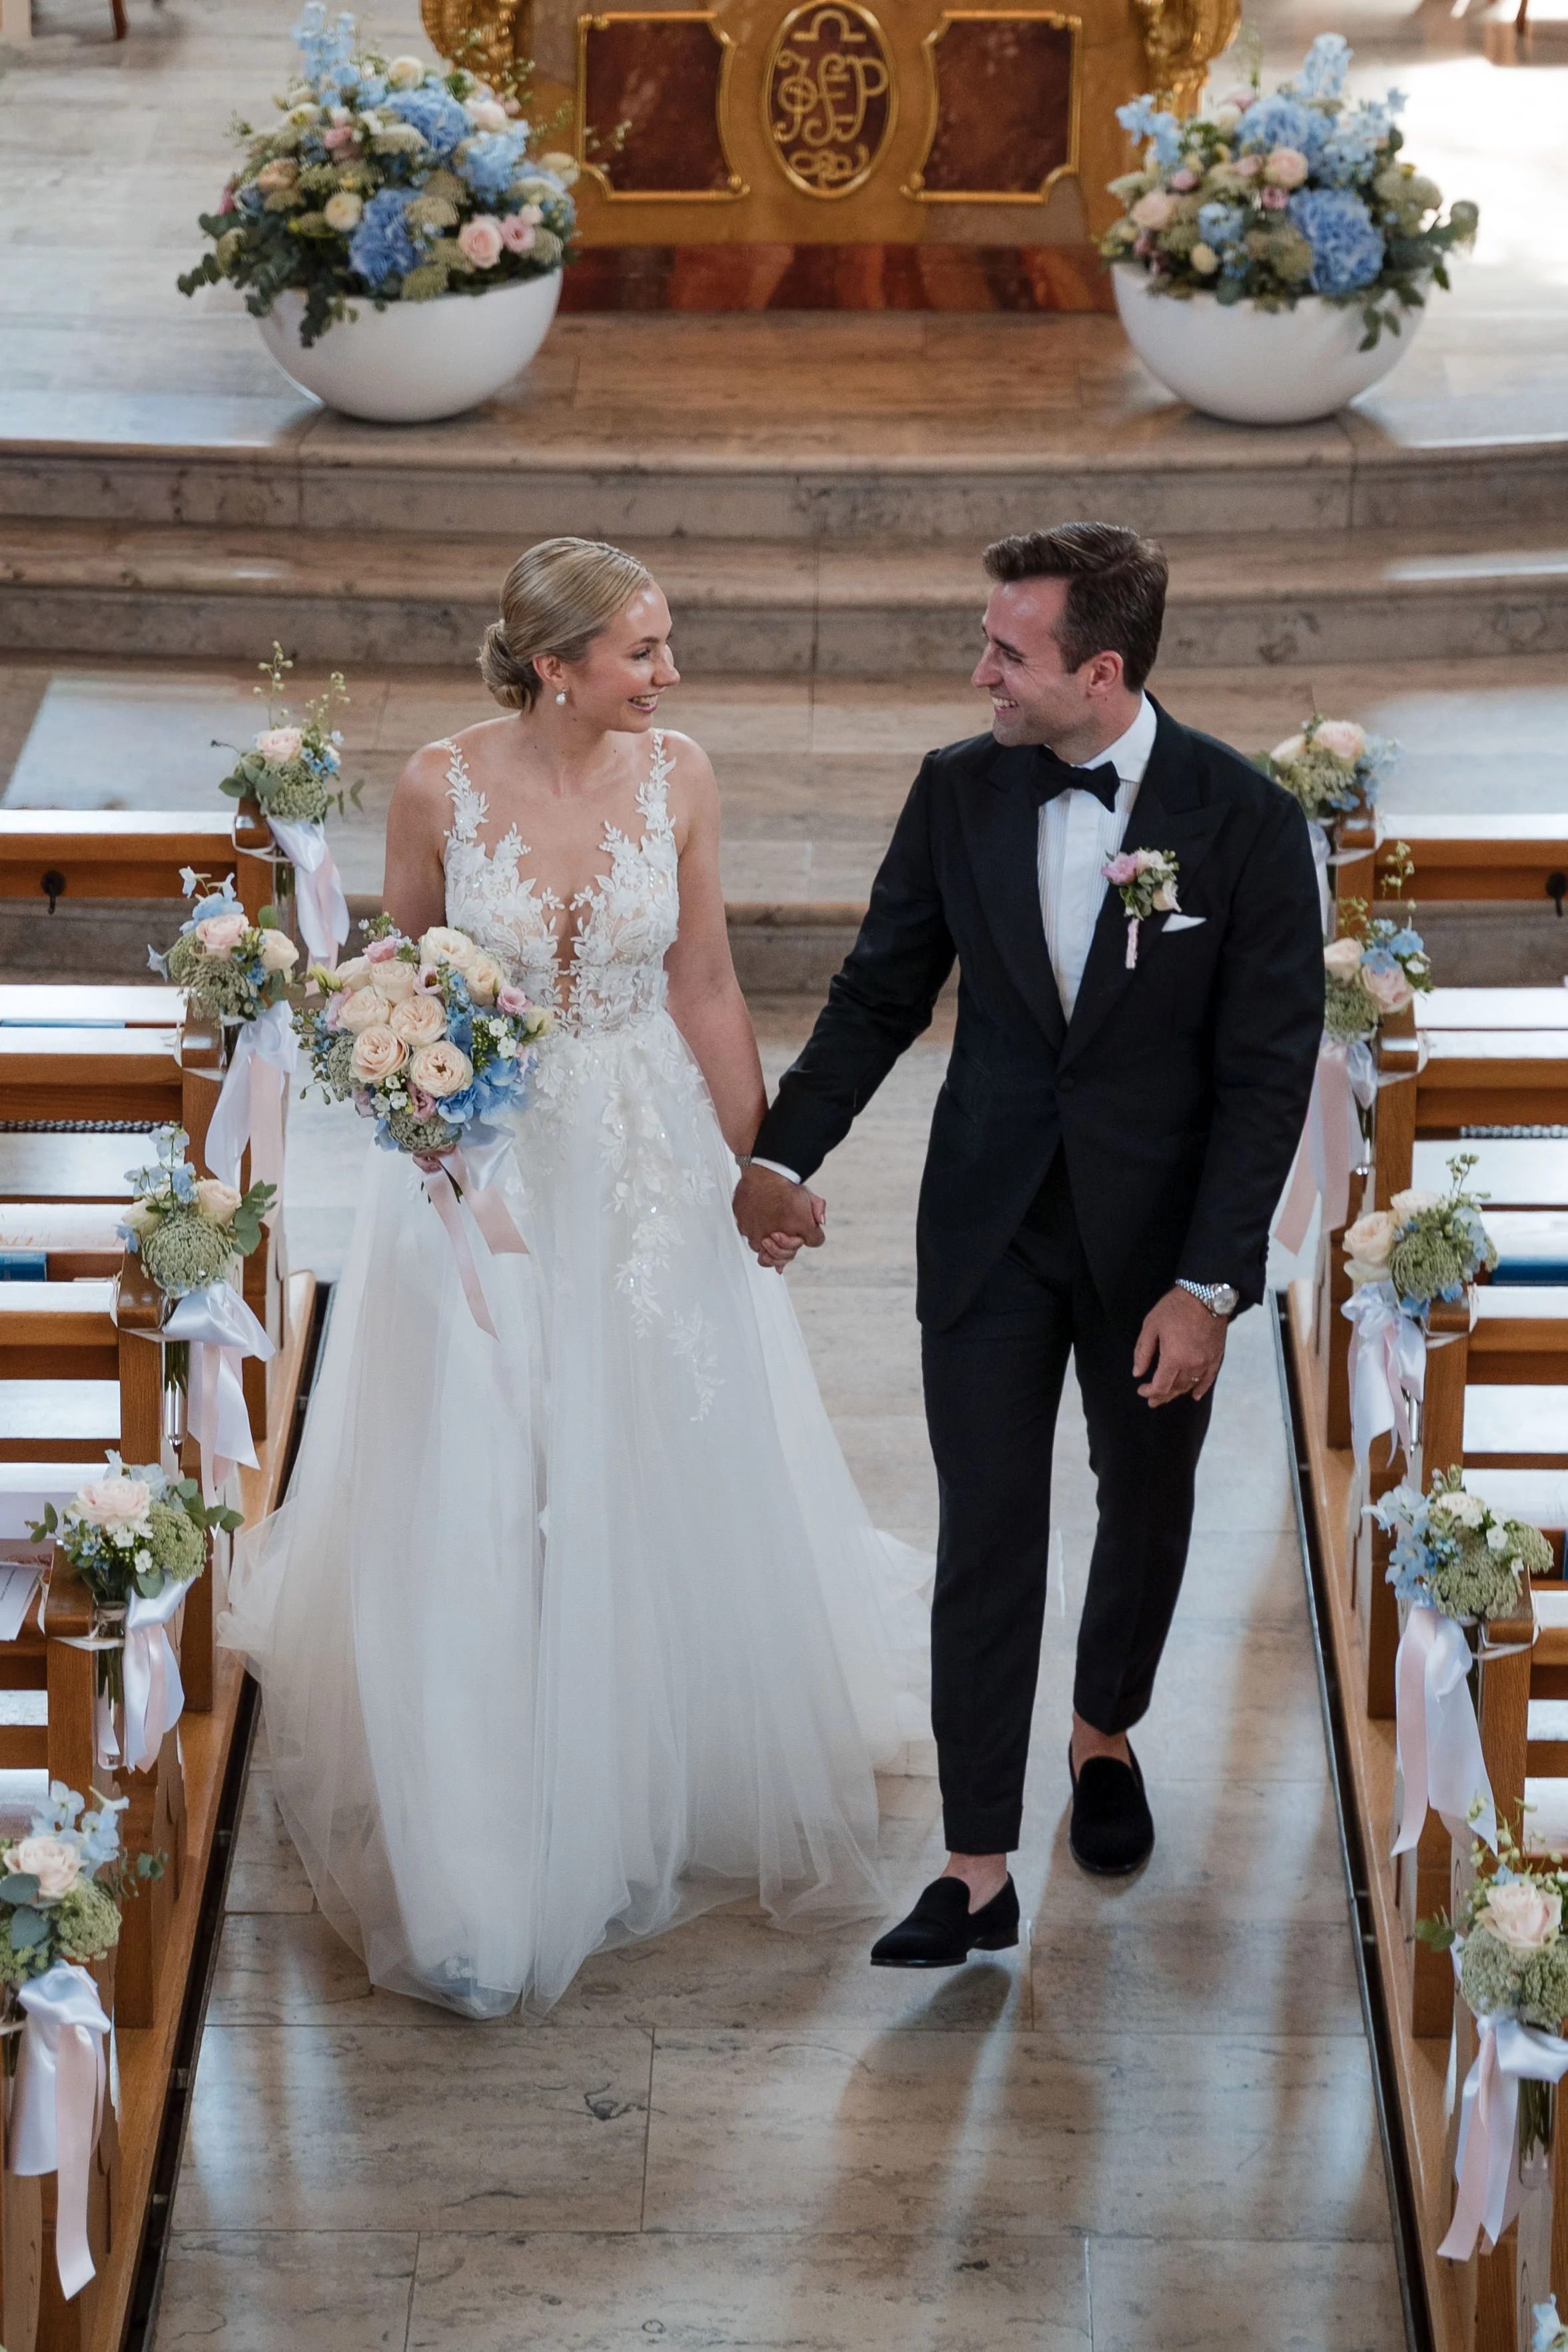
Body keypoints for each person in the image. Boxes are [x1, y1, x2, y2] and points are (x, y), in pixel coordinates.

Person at [221, 536, 928, 2016]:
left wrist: (762, 1166)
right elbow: (395, 977)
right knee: (484, 1452)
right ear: (556, 664)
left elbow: (706, 982)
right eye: (643, 650)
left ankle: (643, 1725)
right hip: (475, 1169)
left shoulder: (680, 779)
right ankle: (488, 1773)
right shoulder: (437, 783)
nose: (668, 676)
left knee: (654, 1425)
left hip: (639, 1145)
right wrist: (420, 1120)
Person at [734, 522, 1322, 1968]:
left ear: (1100, 668)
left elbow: (1267, 1075)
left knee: (1143, 1504)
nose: (977, 669)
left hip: (1156, 1250)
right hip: (991, 1226)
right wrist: (779, 1151)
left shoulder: (1238, 819)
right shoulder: (959, 792)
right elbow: (880, 992)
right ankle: (975, 1864)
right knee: (986, 1533)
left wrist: (1208, 1281)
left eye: (1008, 650)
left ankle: (1103, 1731)